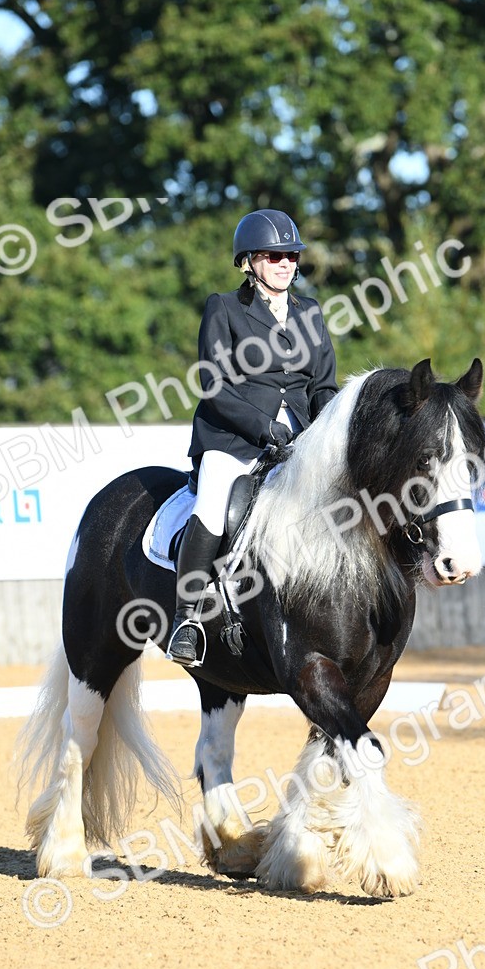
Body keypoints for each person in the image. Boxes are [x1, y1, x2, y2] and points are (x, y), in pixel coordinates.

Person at [167, 208, 338, 665]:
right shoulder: (224, 308)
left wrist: (329, 431)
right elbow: (214, 386)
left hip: (299, 440)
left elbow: (322, 387)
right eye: (273, 255)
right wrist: (264, 428)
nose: (285, 263)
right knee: (213, 502)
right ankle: (186, 619)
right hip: (233, 440)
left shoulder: (311, 313)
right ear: (249, 261)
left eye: (291, 255)